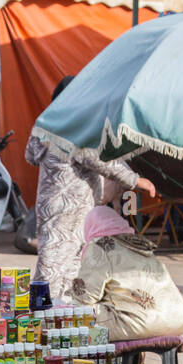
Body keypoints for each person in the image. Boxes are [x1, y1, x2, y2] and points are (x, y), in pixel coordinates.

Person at [24, 74, 157, 307]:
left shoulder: (45, 124)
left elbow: (30, 155)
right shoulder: (72, 127)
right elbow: (97, 158)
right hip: (70, 208)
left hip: (49, 205)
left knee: (53, 261)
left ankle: (45, 316)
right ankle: (47, 320)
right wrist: (136, 181)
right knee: (60, 267)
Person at [72, 205, 183, 339]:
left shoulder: (100, 245)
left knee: (76, 313)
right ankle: (134, 359)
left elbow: (84, 297)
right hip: (180, 319)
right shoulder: (141, 244)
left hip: (139, 323)